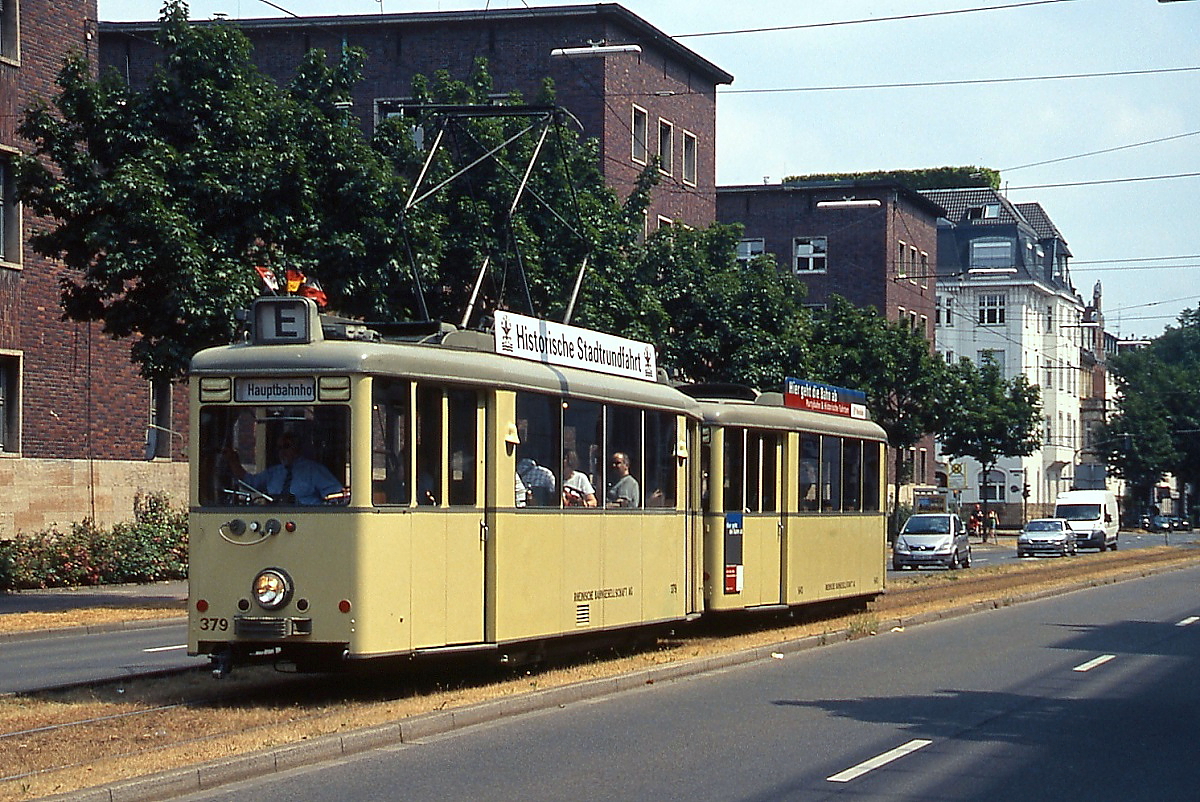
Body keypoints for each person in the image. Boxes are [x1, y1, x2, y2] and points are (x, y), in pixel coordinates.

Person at [224, 433, 344, 505]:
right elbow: (250, 483)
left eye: (286, 446)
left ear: (297, 448)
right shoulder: (274, 472)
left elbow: (335, 495)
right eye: (279, 448)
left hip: (308, 522)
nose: (282, 452)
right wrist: (233, 461)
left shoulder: (314, 470)